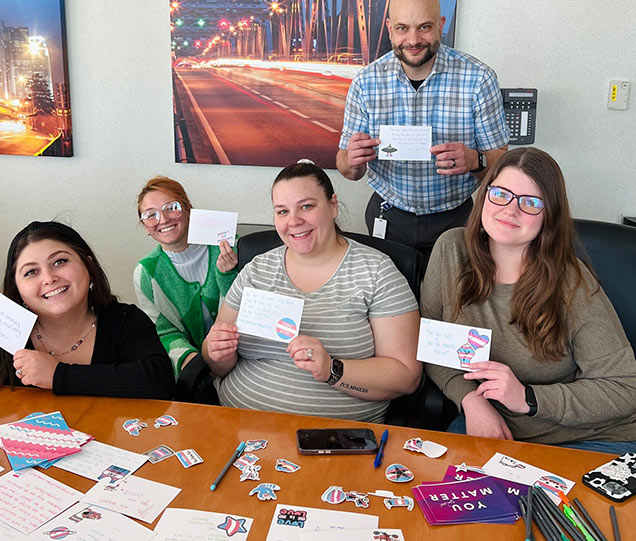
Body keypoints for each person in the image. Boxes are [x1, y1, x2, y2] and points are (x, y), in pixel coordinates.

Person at [422, 148, 636, 454]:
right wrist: (471, 400)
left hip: (589, 436)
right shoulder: (451, 251)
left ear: (550, 215)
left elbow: (625, 387)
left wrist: (527, 398)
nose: (510, 210)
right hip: (494, 424)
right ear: (484, 197)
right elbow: (432, 347)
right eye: (501, 194)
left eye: (531, 202)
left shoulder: (571, 283)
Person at [202, 162, 421, 423]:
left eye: (306, 206)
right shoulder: (256, 269)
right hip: (236, 426)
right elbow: (216, 364)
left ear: (333, 205)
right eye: (282, 211)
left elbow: (406, 377)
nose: (294, 221)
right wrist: (217, 354)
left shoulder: (377, 271)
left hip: (331, 441)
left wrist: (332, 369)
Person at [336, 0, 509, 262]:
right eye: (403, 28)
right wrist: (352, 161)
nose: (413, 39)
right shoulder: (365, 82)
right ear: (390, 29)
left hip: (456, 217)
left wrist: (476, 160)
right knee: (389, 302)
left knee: (453, 300)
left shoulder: (478, 79)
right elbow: (346, 167)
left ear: (441, 26)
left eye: (424, 27)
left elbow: (504, 164)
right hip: (389, 216)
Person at [0, 221, 174, 400]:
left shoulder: (125, 320)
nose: (49, 278)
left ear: (88, 265)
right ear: (17, 289)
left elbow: (159, 381)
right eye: (31, 272)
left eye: (60, 261)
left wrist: (58, 375)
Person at [134, 176, 238, 380]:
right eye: (150, 215)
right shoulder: (146, 273)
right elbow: (165, 332)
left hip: (240, 358)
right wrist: (193, 363)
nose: (163, 220)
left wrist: (227, 276)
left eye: (171, 208)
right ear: (145, 226)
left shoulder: (230, 249)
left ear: (188, 209)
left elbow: (248, 313)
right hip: (190, 370)